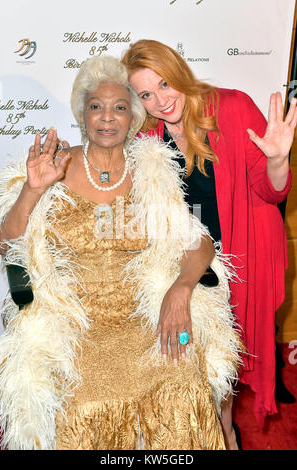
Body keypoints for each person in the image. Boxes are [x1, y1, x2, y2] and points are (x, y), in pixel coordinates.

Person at [0, 56, 241, 450]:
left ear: (133, 119)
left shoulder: (151, 170)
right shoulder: (55, 164)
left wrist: (179, 289)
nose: (107, 117)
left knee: (182, 383)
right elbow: (8, 245)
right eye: (96, 107)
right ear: (82, 115)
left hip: (146, 316)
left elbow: (197, 242)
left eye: (119, 108)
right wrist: (33, 189)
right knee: (82, 401)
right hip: (76, 326)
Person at [122, 39, 297, 449]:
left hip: (239, 253)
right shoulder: (146, 131)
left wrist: (276, 160)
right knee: (189, 368)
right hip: (187, 262)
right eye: (146, 94)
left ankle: (226, 435)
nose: (161, 101)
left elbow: (271, 192)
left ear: (179, 70)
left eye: (165, 84)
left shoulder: (232, 108)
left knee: (220, 376)